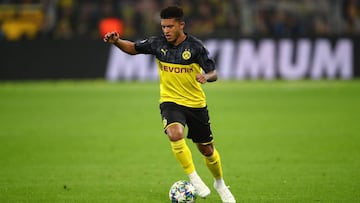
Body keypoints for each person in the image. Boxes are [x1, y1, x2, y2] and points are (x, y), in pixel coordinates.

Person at [103, 6, 236, 203]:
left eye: (170, 26)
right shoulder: (157, 43)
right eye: (163, 26)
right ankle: (194, 177)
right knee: (175, 134)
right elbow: (133, 48)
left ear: (181, 25)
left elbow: (213, 72)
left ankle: (220, 183)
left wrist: (206, 77)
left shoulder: (195, 47)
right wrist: (117, 42)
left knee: (207, 150)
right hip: (170, 101)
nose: (166, 30)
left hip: (195, 103)